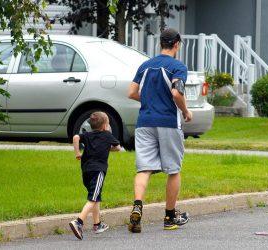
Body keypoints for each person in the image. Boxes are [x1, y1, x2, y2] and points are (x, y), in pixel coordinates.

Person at [127, 28, 193, 233]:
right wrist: (185, 111)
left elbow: (131, 92)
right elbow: (176, 92)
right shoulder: (178, 67)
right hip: (168, 123)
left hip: (145, 122)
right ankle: (169, 217)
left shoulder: (145, 65)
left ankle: (137, 206)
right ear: (176, 44)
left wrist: (149, 100)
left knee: (144, 168)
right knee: (173, 170)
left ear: (160, 44)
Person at [69, 111, 121, 240]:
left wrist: (77, 153)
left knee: (96, 196)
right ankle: (78, 222)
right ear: (104, 126)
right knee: (93, 198)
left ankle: (97, 224)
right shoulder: (107, 135)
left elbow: (75, 137)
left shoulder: (87, 135)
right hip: (98, 171)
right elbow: (118, 147)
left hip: (86, 170)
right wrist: (107, 147)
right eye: (108, 123)